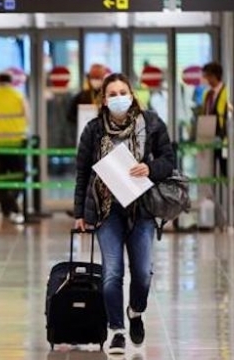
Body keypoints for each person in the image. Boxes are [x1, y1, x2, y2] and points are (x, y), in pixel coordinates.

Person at [73, 73, 174, 355]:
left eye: (123, 91)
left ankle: (135, 311)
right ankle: (116, 329)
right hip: (107, 210)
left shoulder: (151, 123)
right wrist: (80, 211)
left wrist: (151, 169)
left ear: (131, 94)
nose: (119, 97)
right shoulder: (94, 130)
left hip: (141, 208)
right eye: (112, 93)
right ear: (104, 100)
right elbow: (82, 172)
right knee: (112, 273)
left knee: (142, 273)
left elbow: (169, 159)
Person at [0, 72, 29, 223]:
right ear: (11, 82)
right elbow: (27, 116)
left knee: (0, 177)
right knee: (18, 175)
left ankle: (5, 208)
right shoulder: (18, 95)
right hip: (16, 141)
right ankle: (12, 199)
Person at [200, 61, 229, 176]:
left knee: (224, 170)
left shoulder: (227, 92)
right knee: (209, 173)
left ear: (213, 76)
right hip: (208, 138)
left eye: (206, 76)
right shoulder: (207, 94)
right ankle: (211, 195)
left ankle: (227, 194)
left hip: (223, 138)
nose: (205, 79)